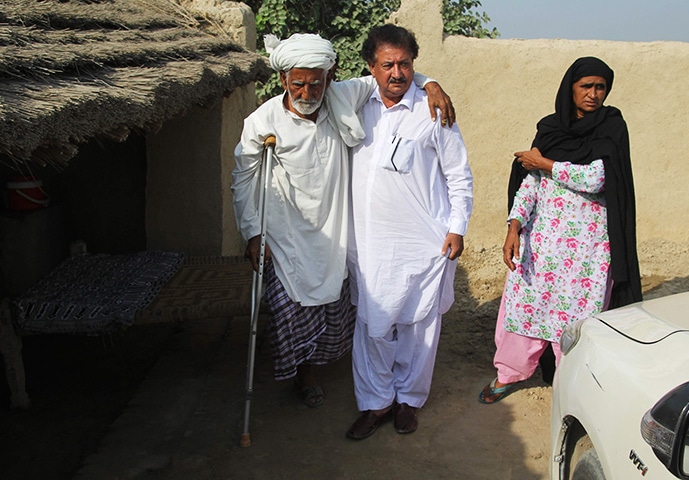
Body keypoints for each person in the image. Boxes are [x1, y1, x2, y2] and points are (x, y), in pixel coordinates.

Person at [231, 33, 454, 408]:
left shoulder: (342, 97)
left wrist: (430, 83)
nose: (307, 91)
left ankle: (324, 367)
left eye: (315, 83)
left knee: (335, 311)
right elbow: (242, 178)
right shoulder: (262, 121)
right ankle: (305, 376)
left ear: (330, 77)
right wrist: (253, 232)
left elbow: (391, 73)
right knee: (289, 311)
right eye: (298, 83)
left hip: (335, 229)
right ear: (284, 79)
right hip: (286, 232)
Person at [478, 56, 641, 404]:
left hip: (588, 251)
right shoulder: (550, 129)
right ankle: (509, 373)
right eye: (586, 86)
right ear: (571, 88)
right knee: (525, 309)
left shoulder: (612, 126)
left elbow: (599, 178)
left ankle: (571, 386)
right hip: (541, 245)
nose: (594, 94)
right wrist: (514, 227)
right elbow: (531, 183)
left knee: (577, 320)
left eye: (601, 87)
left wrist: (546, 163)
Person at [345, 24, 473, 439]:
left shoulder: (434, 111)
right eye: (388, 64)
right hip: (369, 242)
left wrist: (457, 228)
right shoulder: (356, 101)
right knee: (373, 326)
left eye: (406, 64)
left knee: (420, 328)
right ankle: (375, 403)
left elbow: (459, 175)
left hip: (424, 241)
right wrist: (429, 78)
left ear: (413, 64)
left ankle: (408, 401)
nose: (397, 73)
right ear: (371, 67)